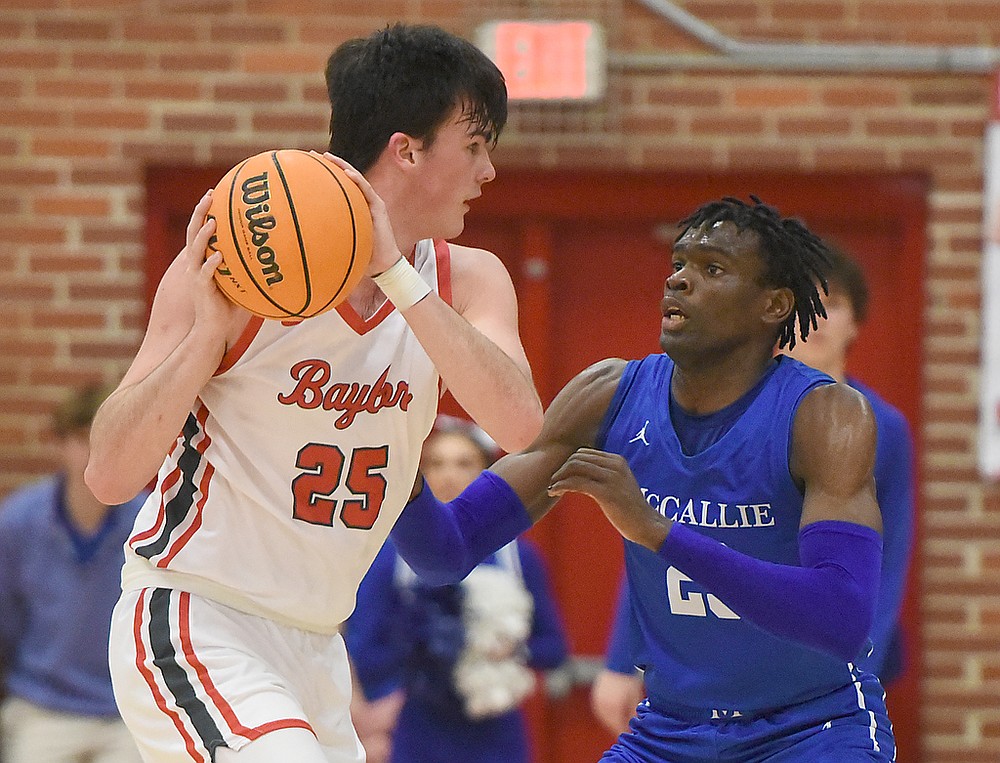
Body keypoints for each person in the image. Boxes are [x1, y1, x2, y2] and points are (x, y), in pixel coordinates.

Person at [85, 23, 543, 763]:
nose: (489, 169)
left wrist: (397, 273)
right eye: (476, 143)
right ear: (407, 148)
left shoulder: (470, 278)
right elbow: (107, 472)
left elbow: (523, 426)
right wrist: (206, 338)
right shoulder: (240, 262)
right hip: (198, 616)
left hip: (317, 644)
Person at [387, 196, 897, 761]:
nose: (679, 281)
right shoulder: (607, 394)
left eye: (712, 269)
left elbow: (842, 618)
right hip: (670, 731)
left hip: (811, 729)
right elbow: (445, 554)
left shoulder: (825, 416)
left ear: (774, 304)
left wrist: (659, 533)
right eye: (678, 263)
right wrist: (401, 478)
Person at [589, 244, 917, 736]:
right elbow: (657, 537)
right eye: (809, 301)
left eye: (835, 303)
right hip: (721, 648)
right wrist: (621, 660)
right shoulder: (721, 411)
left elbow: (888, 556)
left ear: (857, 322)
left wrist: (862, 653)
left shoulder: (881, 426)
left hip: (830, 656)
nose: (820, 317)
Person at [345, 415, 569, 763]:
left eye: (464, 464)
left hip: (496, 729)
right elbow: (363, 642)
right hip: (417, 729)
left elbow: (553, 646)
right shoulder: (391, 553)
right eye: (436, 464)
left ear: (487, 473)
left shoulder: (519, 556)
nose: (449, 475)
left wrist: (505, 648)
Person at [0, 384, 145, 763]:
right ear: (60, 443)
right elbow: (5, 629)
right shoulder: (17, 523)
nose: (94, 454)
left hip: (127, 714)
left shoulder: (151, 524)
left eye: (107, 440)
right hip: (43, 707)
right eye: (84, 438)